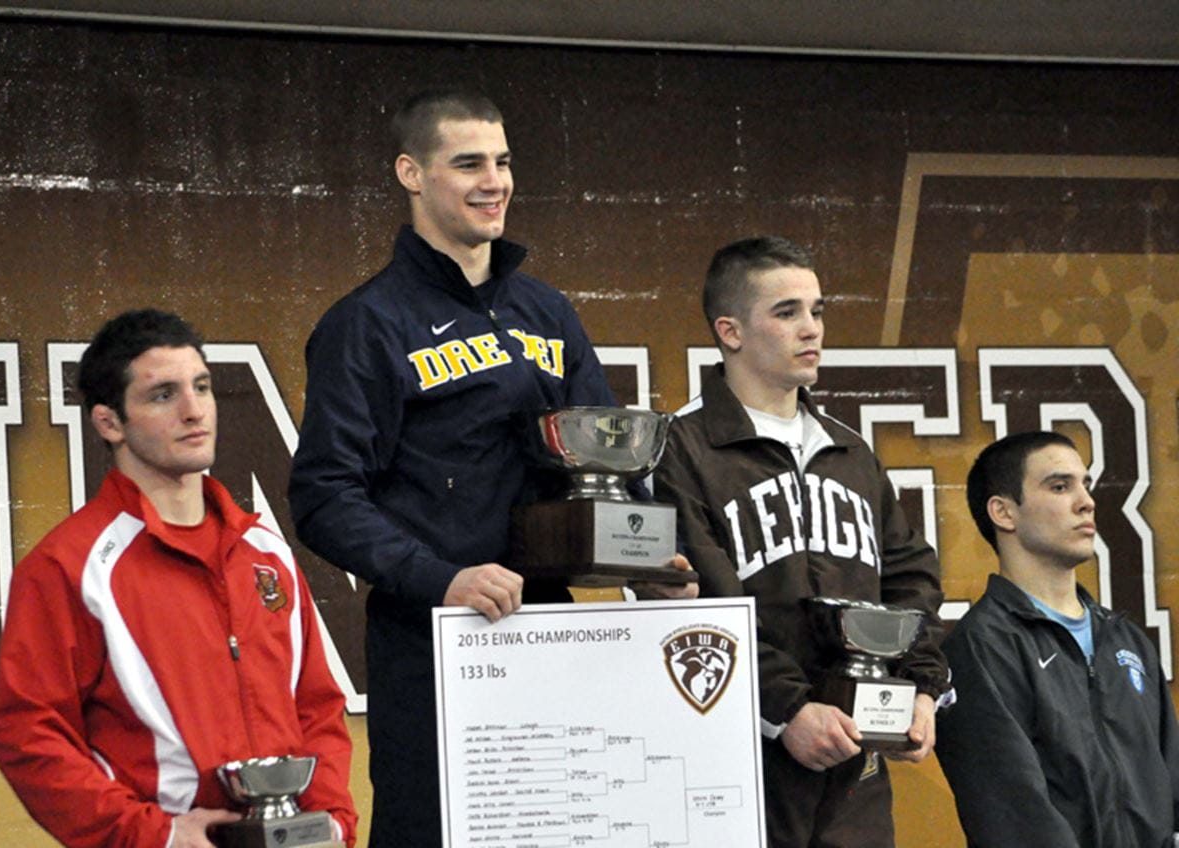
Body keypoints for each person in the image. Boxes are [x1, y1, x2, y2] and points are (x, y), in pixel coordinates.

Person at [288, 89, 694, 847]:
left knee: (567, 830)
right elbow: (323, 497)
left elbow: (605, 463)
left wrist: (646, 559)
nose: (494, 181)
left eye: (503, 162)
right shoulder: (366, 324)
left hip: (551, 630)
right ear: (411, 174)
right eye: (468, 163)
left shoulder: (549, 313)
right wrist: (442, 577)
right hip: (436, 638)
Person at [0, 309, 356, 848]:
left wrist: (330, 820)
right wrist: (153, 835)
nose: (194, 411)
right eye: (163, 395)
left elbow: (317, 707)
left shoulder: (264, 552)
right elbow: (29, 737)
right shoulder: (70, 565)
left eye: (202, 387)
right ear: (109, 422)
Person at [652, 235, 951, 847]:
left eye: (817, 311)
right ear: (730, 331)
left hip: (857, 761)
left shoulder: (850, 451)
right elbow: (703, 603)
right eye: (786, 313)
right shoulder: (679, 449)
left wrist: (919, 687)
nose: (811, 328)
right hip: (742, 757)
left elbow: (910, 578)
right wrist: (786, 710)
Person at [936, 431, 1179, 847]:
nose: (1086, 501)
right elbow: (1011, 815)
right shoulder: (978, 647)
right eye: (1060, 486)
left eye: (1086, 485)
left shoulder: (1125, 640)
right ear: (1003, 512)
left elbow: (1170, 783)